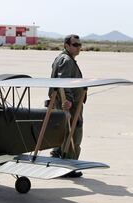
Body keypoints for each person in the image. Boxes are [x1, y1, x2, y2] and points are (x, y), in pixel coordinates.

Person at [49, 34, 85, 178]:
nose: (78, 47)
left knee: (62, 132)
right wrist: (68, 100)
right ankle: (68, 167)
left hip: (63, 102)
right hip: (70, 105)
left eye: (79, 44)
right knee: (73, 133)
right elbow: (64, 82)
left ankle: (57, 158)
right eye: (75, 45)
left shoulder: (61, 58)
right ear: (67, 45)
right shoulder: (66, 60)